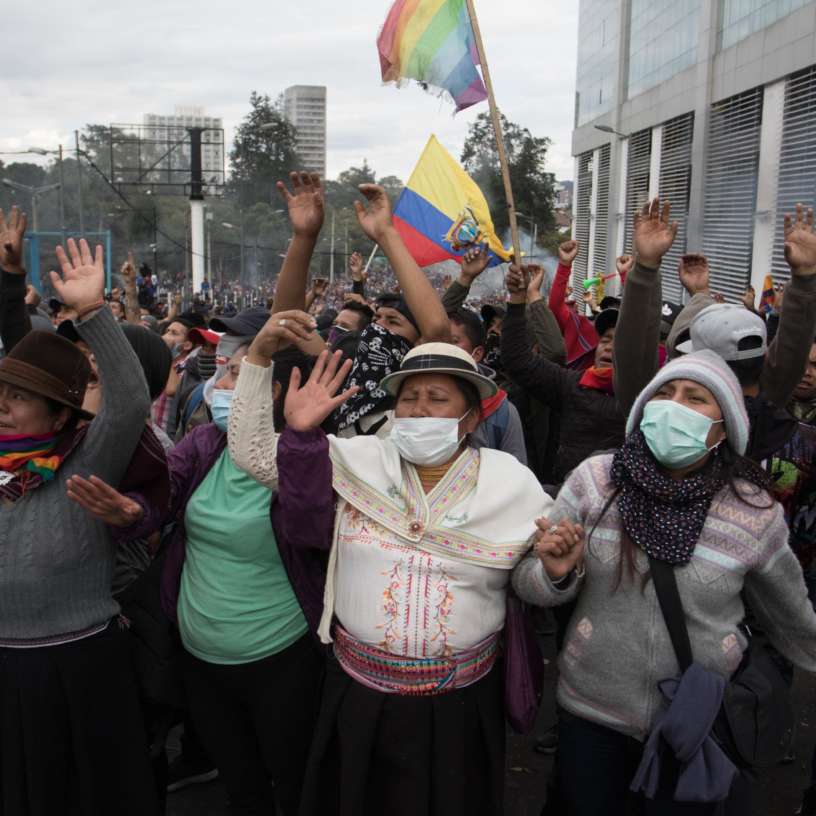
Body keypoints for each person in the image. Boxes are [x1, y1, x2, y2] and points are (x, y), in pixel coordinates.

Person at [228, 326, 553, 815]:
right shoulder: (355, 460)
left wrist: (557, 573)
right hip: (358, 698)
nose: (419, 410)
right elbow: (253, 455)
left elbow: (535, 585)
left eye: (437, 399)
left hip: (461, 708)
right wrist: (259, 361)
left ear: (470, 417)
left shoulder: (513, 484)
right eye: (408, 398)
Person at [513, 350, 816, 815]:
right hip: (591, 712)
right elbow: (527, 582)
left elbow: (793, 619)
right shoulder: (595, 482)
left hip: (696, 721)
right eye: (664, 394)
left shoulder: (752, 512)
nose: (674, 407)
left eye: (695, 398)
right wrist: (555, 574)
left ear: (724, 427)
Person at [66, 310, 325, 816]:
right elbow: (162, 494)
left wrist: (299, 440)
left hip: (281, 658)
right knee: (241, 784)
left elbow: (310, 527)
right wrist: (132, 512)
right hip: (200, 659)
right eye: (224, 373)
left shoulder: (309, 459)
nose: (218, 386)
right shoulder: (205, 444)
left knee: (294, 779)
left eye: (235, 375)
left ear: (270, 390)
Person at [0, 237, 158, 815]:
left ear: (61, 414)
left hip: (83, 664)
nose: (2, 405)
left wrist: (94, 312)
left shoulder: (87, 461)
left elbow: (130, 402)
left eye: (19, 397)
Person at [500, 259, 624, 486]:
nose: (609, 347)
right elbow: (517, 359)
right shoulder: (573, 385)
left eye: (622, 342)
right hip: (567, 497)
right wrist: (518, 298)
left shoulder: (649, 398)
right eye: (606, 339)